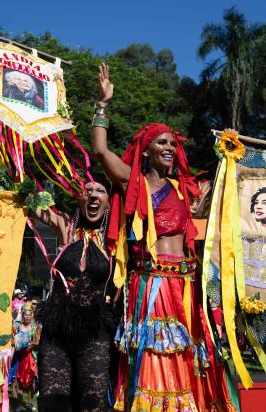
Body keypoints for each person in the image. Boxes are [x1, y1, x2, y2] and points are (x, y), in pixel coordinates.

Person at [92, 63, 238, 411]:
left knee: (189, 354)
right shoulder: (133, 182)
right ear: (146, 149)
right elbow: (100, 151)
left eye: (173, 143)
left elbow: (229, 194)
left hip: (186, 286)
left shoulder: (185, 189)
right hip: (151, 284)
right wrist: (102, 105)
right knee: (157, 352)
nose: (170, 147)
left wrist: (231, 156)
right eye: (162, 142)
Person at [32, 175, 115, 411]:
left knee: (93, 404)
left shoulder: (115, 236)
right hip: (56, 331)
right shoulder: (64, 226)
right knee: (53, 401)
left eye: (100, 191)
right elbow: (30, 202)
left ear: (109, 201)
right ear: (78, 197)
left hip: (95, 333)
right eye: (87, 190)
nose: (93, 195)